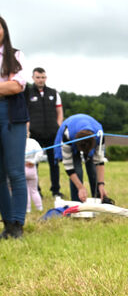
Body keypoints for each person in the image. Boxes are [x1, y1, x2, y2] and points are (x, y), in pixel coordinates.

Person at [0, 15, 29, 240]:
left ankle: (18, 223)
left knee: (16, 172)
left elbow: (16, 86)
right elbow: (7, 85)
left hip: (12, 119)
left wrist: (8, 85)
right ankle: (7, 223)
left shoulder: (16, 55)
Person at [54, 114, 113, 203]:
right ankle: (77, 201)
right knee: (77, 171)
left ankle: (98, 198)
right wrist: (80, 187)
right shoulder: (67, 135)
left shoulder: (99, 135)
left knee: (93, 169)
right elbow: (68, 166)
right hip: (70, 132)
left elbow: (99, 162)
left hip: (93, 135)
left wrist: (101, 184)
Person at [25, 67, 63, 199]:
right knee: (33, 164)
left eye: (43, 77)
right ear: (33, 78)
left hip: (52, 134)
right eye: (38, 77)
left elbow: (60, 112)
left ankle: (56, 191)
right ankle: (36, 190)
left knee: (54, 163)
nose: (41, 80)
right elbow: (25, 113)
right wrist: (27, 131)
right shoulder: (27, 93)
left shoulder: (53, 93)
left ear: (45, 78)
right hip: (35, 135)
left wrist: (58, 126)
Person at [24, 135, 44, 213]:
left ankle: (27, 209)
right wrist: (34, 161)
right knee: (34, 190)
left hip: (22, 168)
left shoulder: (17, 143)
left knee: (26, 191)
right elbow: (40, 153)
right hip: (32, 169)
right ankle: (40, 207)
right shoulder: (33, 142)